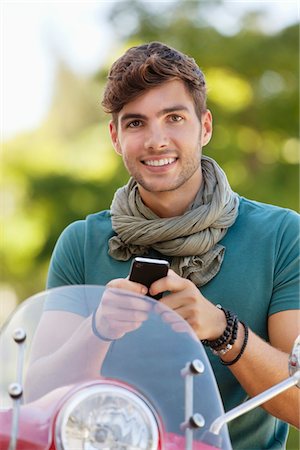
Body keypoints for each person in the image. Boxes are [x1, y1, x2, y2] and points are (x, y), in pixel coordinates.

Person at [41, 42, 299, 448]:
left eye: (174, 118)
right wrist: (98, 330)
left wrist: (221, 330)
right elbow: (38, 396)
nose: (156, 140)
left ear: (206, 127)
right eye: (136, 123)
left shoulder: (282, 234)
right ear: (115, 136)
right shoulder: (81, 243)